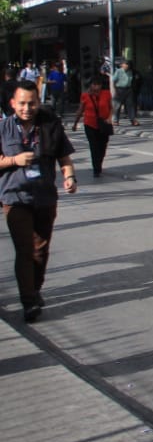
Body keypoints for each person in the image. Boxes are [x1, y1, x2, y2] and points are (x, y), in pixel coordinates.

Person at [2, 80, 77, 323]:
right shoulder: (3, 129)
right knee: (24, 250)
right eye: (22, 103)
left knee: (40, 250)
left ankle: (34, 290)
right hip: (15, 197)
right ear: (13, 103)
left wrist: (69, 177)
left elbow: (64, 158)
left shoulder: (50, 125)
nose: (27, 108)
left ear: (38, 102)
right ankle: (29, 301)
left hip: (45, 197)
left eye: (31, 103)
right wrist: (13, 161)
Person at [70, 75, 113, 178]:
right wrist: (75, 123)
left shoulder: (106, 94)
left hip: (104, 124)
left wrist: (109, 118)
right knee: (94, 147)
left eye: (98, 85)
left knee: (102, 146)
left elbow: (111, 107)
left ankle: (99, 163)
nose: (96, 87)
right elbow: (80, 110)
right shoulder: (85, 96)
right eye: (94, 84)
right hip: (90, 124)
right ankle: (96, 169)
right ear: (91, 85)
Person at [113, 60, 139, 126]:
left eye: (128, 65)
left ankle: (133, 120)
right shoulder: (118, 71)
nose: (126, 66)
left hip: (129, 89)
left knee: (130, 105)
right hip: (120, 89)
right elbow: (113, 81)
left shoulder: (131, 71)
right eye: (125, 64)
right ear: (122, 65)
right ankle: (115, 120)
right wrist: (115, 90)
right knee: (117, 105)